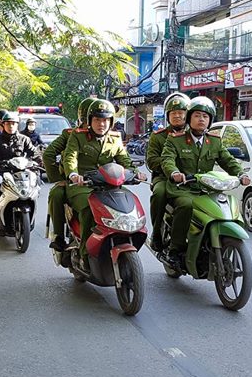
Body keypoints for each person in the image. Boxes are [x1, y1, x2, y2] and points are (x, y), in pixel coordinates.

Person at [161, 97, 250, 269]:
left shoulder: (214, 141)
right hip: (182, 189)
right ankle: (175, 251)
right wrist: (174, 173)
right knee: (186, 206)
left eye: (205, 116)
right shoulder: (175, 140)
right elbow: (167, 160)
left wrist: (240, 174)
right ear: (189, 119)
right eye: (197, 115)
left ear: (210, 120)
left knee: (222, 205)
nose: (201, 119)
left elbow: (228, 160)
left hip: (206, 189)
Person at [63, 99, 145, 262]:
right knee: (88, 210)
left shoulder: (114, 138)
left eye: (106, 120)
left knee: (130, 204)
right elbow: (70, 158)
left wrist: (135, 173)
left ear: (111, 121)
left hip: (109, 185)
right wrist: (73, 174)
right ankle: (84, 254)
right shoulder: (78, 136)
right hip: (83, 185)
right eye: (97, 119)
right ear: (89, 121)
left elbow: (125, 160)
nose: (101, 124)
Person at [43, 97, 97, 251]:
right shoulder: (70, 135)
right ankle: (59, 236)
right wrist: (59, 179)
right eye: (94, 118)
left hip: (99, 181)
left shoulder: (109, 136)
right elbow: (48, 155)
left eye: (103, 119)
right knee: (57, 194)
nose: (99, 123)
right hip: (74, 181)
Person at [145, 92, 190, 252]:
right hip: (163, 178)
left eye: (181, 112)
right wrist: (170, 167)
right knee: (159, 194)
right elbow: (151, 161)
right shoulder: (158, 137)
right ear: (168, 116)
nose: (177, 116)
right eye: (174, 113)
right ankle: (156, 233)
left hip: (190, 179)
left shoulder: (195, 136)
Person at [0, 111, 41, 216]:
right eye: (8, 123)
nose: (11, 126)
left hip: (21, 171)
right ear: (3, 125)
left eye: (13, 123)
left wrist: (39, 161)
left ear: (17, 125)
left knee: (34, 181)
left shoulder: (25, 139)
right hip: (2, 170)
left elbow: (34, 152)